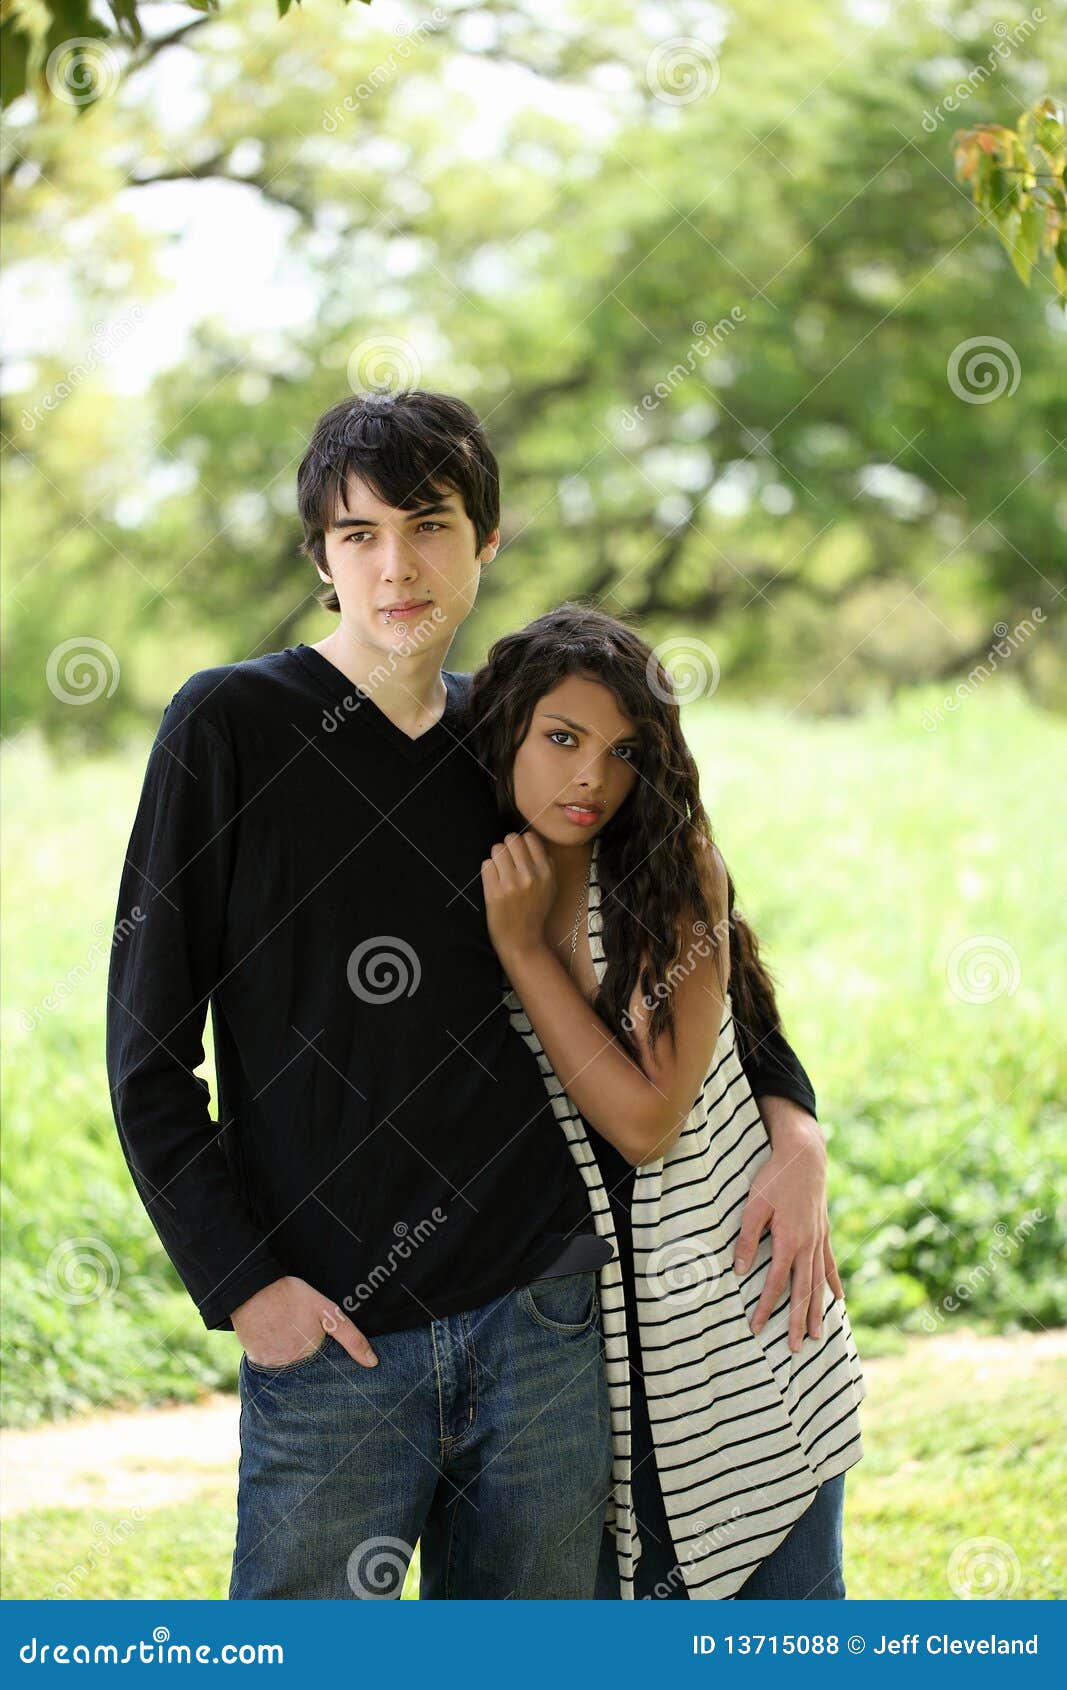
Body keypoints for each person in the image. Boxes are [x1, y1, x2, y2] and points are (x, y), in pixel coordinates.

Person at [106, 388, 830, 1601]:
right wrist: (244, 1286)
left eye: (431, 525)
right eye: (359, 534)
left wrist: (791, 1119)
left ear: (485, 541)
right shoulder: (227, 726)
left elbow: (676, 918)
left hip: (539, 1313)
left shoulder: (514, 737)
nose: (397, 565)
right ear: (320, 558)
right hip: (332, 1331)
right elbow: (145, 1052)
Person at [470, 604, 867, 1600]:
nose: (589, 779)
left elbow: (651, 1123)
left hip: (737, 1329)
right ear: (505, 731)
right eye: (560, 738)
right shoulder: (457, 871)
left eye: (620, 750)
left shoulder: (664, 870)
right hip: (570, 1376)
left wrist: (523, 951)